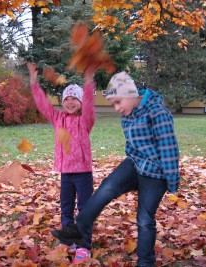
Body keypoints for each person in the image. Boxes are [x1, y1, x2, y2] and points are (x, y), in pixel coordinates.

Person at [51, 71, 180, 266]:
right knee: (107, 187)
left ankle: (145, 262)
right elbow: (131, 144)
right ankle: (78, 228)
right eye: (113, 104)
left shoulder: (158, 113)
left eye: (118, 102)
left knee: (145, 219)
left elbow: (169, 149)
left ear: (130, 94)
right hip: (135, 163)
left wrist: (171, 182)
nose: (117, 108)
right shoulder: (127, 114)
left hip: (155, 172)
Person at [27, 62, 96, 263]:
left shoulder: (86, 120)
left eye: (75, 98)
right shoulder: (57, 118)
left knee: (84, 210)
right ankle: (68, 241)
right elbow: (43, 104)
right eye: (67, 98)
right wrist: (34, 83)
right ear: (62, 101)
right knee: (66, 208)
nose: (71, 101)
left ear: (81, 102)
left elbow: (91, 105)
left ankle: (84, 246)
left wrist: (89, 83)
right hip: (66, 173)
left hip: (83, 174)